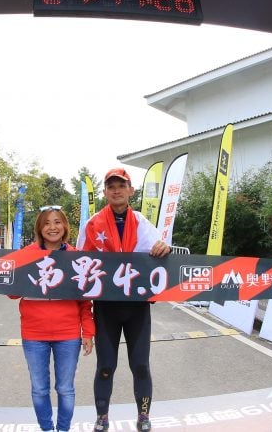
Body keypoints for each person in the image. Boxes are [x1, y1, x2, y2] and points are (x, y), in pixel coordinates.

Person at [82, 167, 171, 432]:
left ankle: (143, 416)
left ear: (131, 191)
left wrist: (164, 248)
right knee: (106, 366)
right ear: (105, 192)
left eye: (121, 186)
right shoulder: (93, 224)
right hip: (106, 307)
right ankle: (102, 417)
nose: (116, 191)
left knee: (140, 365)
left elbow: (161, 251)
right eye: (111, 186)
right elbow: (78, 262)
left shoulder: (142, 223)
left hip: (137, 308)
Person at [11, 206, 95, 432]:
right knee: (39, 389)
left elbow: (85, 301)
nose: (52, 227)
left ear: (65, 226)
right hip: (33, 334)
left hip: (68, 335)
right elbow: (12, 293)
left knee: (65, 389)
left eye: (57, 222)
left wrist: (88, 332)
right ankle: (47, 428)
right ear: (39, 228)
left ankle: (63, 429)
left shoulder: (76, 257)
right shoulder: (26, 255)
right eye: (46, 223)